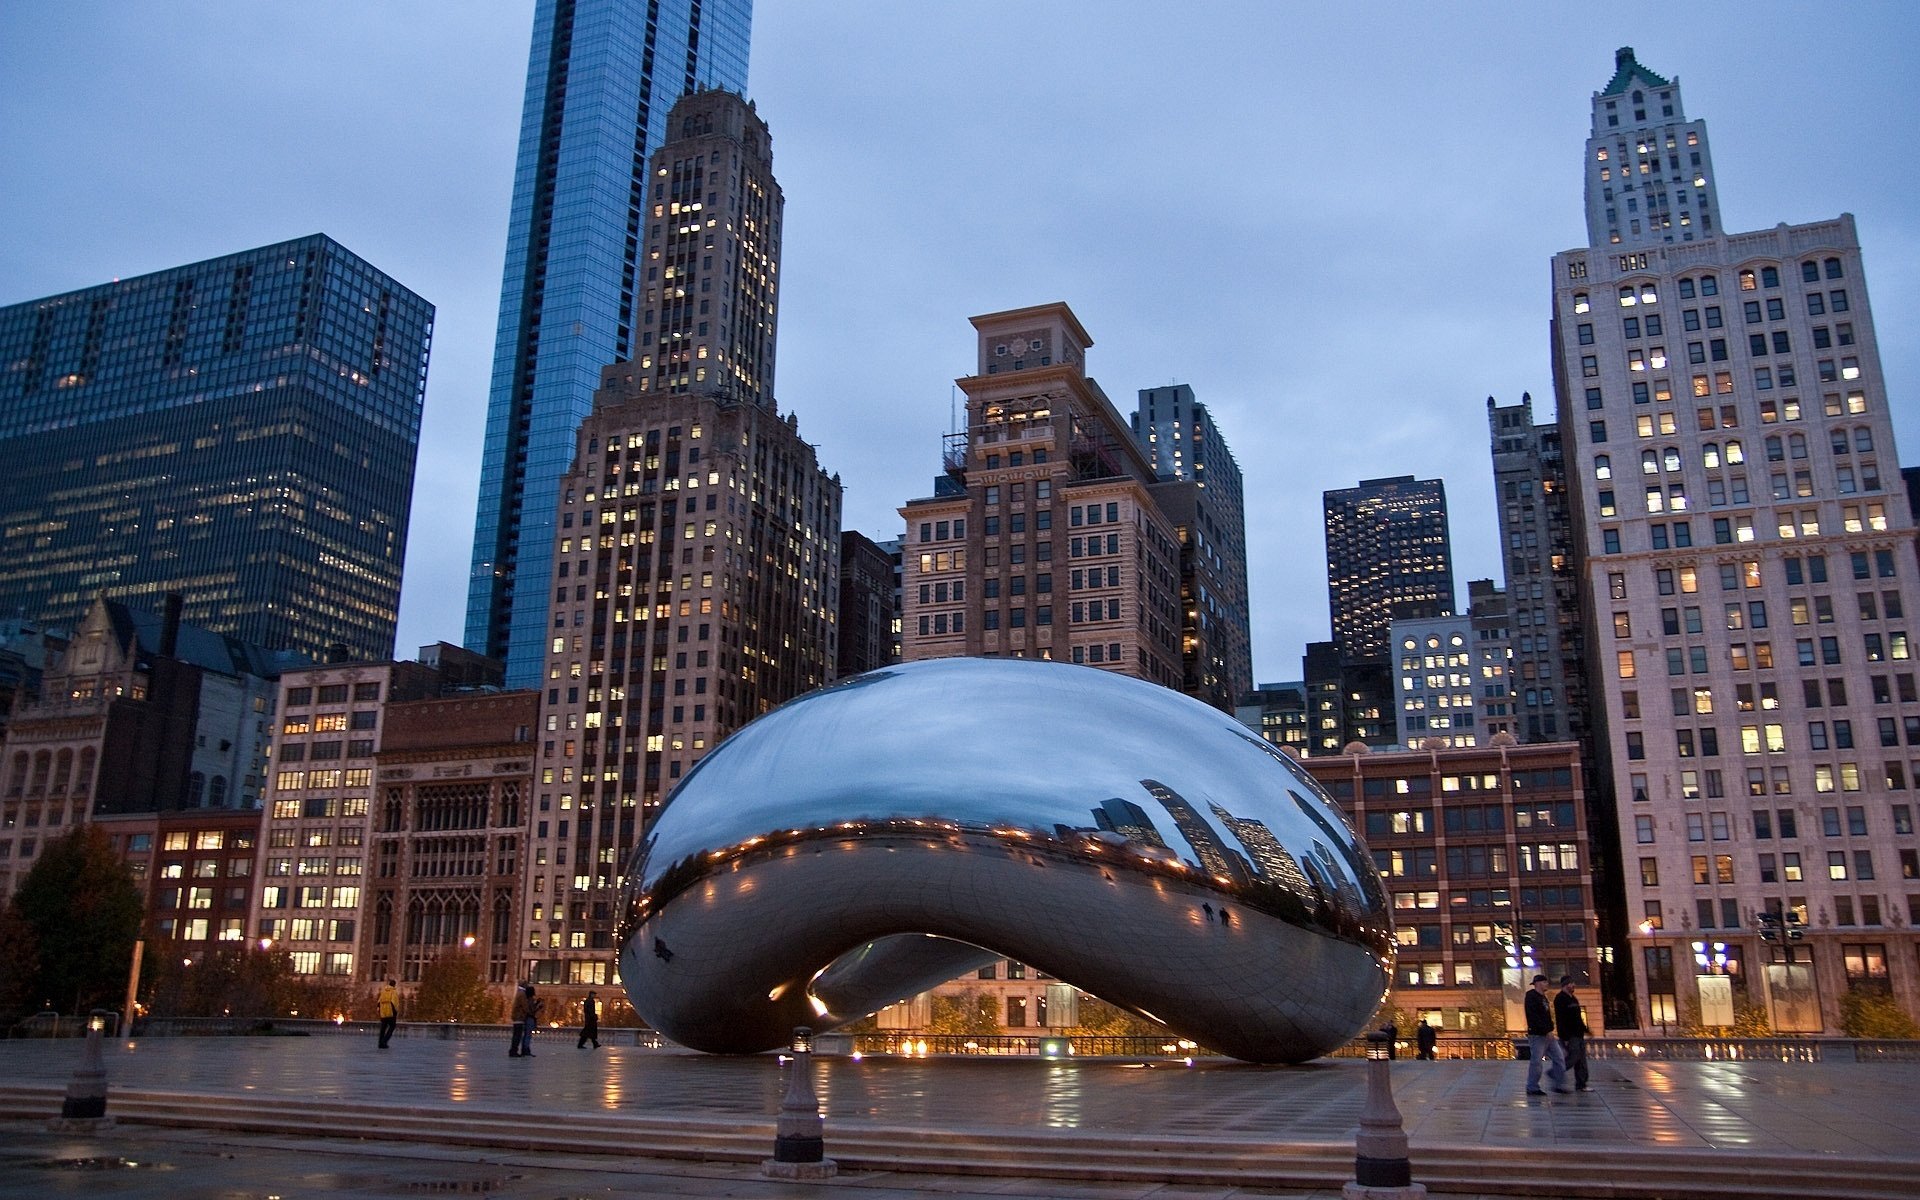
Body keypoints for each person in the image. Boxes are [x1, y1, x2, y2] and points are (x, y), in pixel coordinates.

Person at [1523, 974, 1569, 1095]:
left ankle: (1559, 1084)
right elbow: (1533, 1016)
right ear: (1538, 983)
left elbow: (1546, 1015)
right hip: (1537, 1035)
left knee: (1559, 1058)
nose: (1547, 984)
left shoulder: (1543, 997)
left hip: (1547, 1034)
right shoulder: (1531, 997)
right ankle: (1532, 1087)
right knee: (1536, 1061)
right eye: (1544, 982)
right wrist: (1545, 1030)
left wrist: (1550, 1029)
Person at [1555, 976, 1591, 1091]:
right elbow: (1560, 1019)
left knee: (1581, 1060)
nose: (1573, 985)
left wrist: (1585, 1029)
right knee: (1573, 1058)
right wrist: (1564, 1036)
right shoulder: (1560, 999)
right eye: (1571, 983)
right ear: (1565, 985)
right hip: (1570, 1035)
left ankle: (1581, 1084)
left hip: (1578, 1034)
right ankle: (1555, 1072)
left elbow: (1578, 1017)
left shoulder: (1574, 999)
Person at [509, 983, 539, 1057]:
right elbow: (525, 1007)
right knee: (518, 1035)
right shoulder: (522, 995)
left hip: (518, 1017)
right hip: (519, 1018)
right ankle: (514, 1051)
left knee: (518, 1035)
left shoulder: (519, 993)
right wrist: (531, 1012)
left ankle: (514, 1050)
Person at [375, 979, 399, 1050]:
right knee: (392, 1027)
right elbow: (395, 1003)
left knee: (383, 1028)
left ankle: (380, 1043)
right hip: (391, 1013)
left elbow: (379, 1002)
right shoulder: (393, 992)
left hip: (383, 1013)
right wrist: (395, 1012)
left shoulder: (383, 991)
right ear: (394, 984)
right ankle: (384, 1041)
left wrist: (379, 1011)